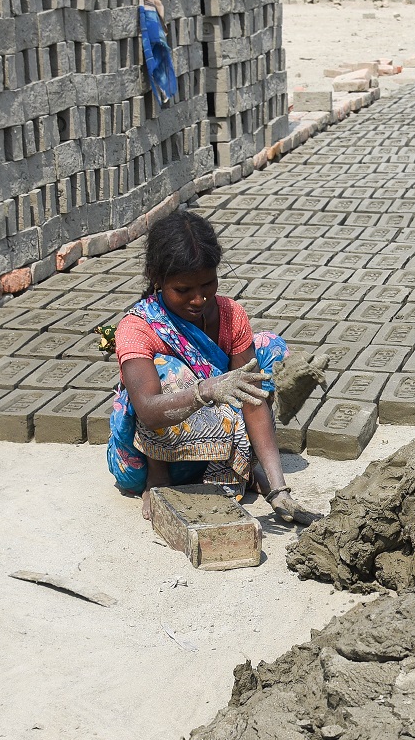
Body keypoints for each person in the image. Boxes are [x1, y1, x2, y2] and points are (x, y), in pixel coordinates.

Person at [106, 210, 317, 525]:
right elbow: (148, 410)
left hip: (217, 442)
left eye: (208, 284)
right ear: (157, 277)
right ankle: (159, 479)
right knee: (167, 368)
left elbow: (252, 398)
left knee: (269, 348)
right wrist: (206, 390)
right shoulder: (139, 327)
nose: (198, 299)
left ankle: (242, 467)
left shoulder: (231, 316)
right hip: (153, 454)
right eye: (183, 290)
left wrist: (278, 489)